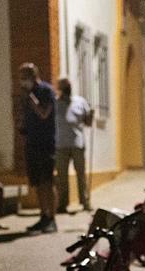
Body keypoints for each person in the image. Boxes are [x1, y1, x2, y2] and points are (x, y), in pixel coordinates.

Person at [18, 63, 59, 233]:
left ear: (33, 76)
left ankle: (52, 218)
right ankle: (43, 216)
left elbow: (44, 114)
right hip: (32, 142)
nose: (22, 81)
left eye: (24, 77)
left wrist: (33, 102)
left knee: (47, 181)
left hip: (46, 143)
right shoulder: (26, 94)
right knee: (36, 182)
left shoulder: (46, 91)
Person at [54, 78, 94, 214]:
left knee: (81, 174)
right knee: (62, 176)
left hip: (77, 142)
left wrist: (91, 115)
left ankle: (85, 202)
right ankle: (62, 203)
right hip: (60, 144)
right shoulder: (55, 102)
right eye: (63, 87)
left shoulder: (80, 101)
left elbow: (88, 122)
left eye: (68, 86)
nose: (66, 89)